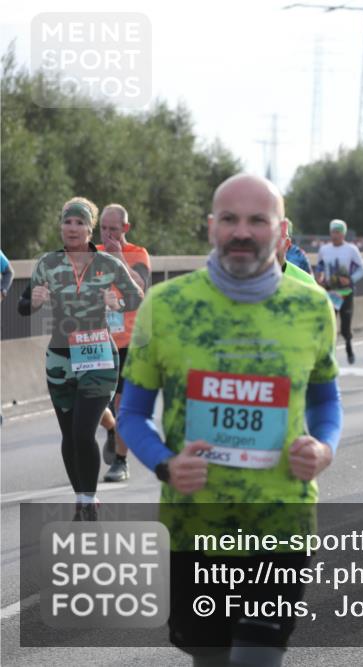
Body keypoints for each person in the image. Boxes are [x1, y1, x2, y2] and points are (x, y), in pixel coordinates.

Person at [118, 173, 343, 666]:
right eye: (229, 219)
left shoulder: (311, 308)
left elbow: (327, 401)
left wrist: (325, 447)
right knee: (212, 659)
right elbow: (131, 413)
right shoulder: (166, 306)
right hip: (195, 525)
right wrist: (164, 464)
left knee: (255, 661)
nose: (242, 231)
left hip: (282, 523)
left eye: (257, 220)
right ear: (211, 227)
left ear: (280, 231)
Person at [17, 197, 143, 519]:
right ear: (61, 226)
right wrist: (34, 299)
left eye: (79, 223)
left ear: (89, 228)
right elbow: (22, 306)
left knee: (85, 432)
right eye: (67, 222)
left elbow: (135, 296)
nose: (72, 228)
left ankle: (88, 500)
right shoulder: (47, 263)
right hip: (60, 359)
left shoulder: (108, 264)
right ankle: (80, 496)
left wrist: (115, 301)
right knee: (69, 436)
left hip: (99, 355)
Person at [95, 203, 151, 483]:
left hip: (128, 341)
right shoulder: (93, 254)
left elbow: (142, 287)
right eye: (103, 228)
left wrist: (119, 259)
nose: (107, 235)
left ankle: (120, 461)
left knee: (122, 404)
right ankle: (111, 429)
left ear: (125, 229)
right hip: (96, 339)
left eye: (113, 229)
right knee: (92, 401)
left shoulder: (136, 253)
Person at [316, 218, 363, 364]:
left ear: (343, 233)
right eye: (332, 232)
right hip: (329, 291)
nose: (335, 235)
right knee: (329, 323)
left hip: (345, 293)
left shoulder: (351, 249)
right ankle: (328, 353)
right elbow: (319, 266)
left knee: (345, 326)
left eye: (337, 232)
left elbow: (362, 269)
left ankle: (349, 347)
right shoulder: (324, 249)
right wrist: (319, 276)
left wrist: (350, 279)